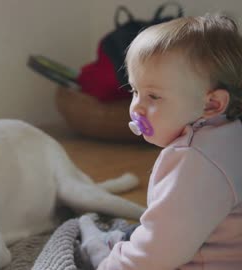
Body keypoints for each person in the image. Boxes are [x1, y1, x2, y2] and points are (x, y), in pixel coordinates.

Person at [79, 14, 242, 269]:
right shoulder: (229, 134)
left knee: (117, 251)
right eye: (135, 91)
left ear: (211, 104)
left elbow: (157, 254)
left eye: (153, 96)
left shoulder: (194, 162)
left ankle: (102, 248)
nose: (137, 107)